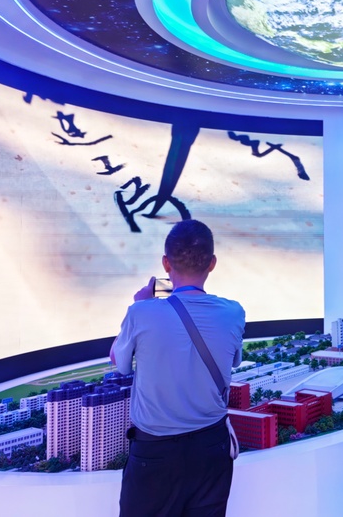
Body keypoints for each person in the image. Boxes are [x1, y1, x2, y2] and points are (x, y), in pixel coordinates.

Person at [111, 219, 245, 516]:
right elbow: (234, 360)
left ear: (166, 263)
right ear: (212, 263)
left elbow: (120, 365)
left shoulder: (140, 312)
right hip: (212, 448)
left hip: (155, 454)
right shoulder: (234, 312)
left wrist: (138, 305)